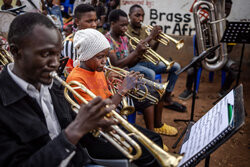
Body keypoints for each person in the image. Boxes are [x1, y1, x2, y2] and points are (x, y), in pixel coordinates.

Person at [0, 12, 163, 167]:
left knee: (152, 144)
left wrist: (94, 123)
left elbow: (71, 123)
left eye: (57, 54)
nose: (56, 63)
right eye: (45, 54)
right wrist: (74, 131)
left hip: (76, 159)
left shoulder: (54, 86)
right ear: (15, 51)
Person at [105, 9, 178, 136]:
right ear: (112, 23)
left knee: (158, 91)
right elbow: (116, 65)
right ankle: (151, 134)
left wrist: (138, 54)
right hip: (116, 79)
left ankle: (157, 126)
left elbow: (131, 63)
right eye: (122, 25)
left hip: (128, 74)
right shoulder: (108, 40)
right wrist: (136, 52)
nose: (125, 28)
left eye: (125, 25)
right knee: (149, 93)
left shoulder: (124, 39)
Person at [126, 5, 186, 112]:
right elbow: (134, 52)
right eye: (137, 15)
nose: (141, 19)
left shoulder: (144, 29)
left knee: (176, 67)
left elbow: (151, 50)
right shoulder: (125, 31)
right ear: (129, 15)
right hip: (134, 64)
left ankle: (167, 96)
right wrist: (150, 37)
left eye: (142, 16)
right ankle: (146, 102)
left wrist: (157, 40)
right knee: (151, 74)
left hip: (147, 61)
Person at [178, 0, 238, 100]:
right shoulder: (205, 23)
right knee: (192, 67)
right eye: (224, 8)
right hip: (205, 56)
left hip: (221, 57)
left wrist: (220, 45)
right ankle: (188, 90)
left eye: (228, 9)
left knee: (234, 69)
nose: (225, 11)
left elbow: (230, 49)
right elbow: (198, 46)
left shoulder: (230, 27)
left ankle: (224, 90)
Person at [61, 4, 98, 74]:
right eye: (89, 21)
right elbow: (71, 72)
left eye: (95, 20)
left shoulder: (96, 39)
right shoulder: (70, 43)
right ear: (77, 22)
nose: (94, 24)